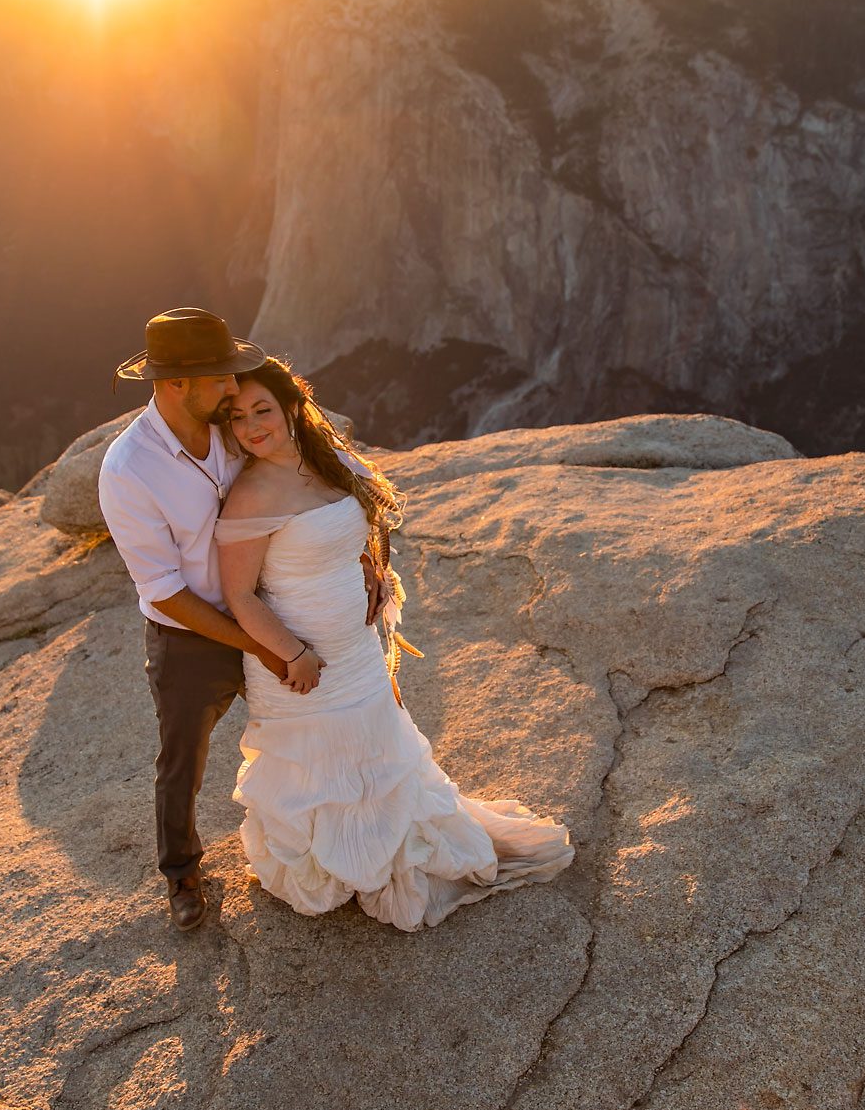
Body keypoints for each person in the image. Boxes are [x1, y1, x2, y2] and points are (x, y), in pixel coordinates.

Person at [215, 357, 574, 931]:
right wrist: (293, 653)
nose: (253, 426)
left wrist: (377, 573)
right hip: (297, 665)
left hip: (356, 649)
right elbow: (240, 596)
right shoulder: (252, 494)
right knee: (322, 764)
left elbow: (371, 520)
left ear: (291, 406)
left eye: (262, 409)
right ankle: (336, 864)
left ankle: (388, 847)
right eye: (237, 418)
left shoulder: (330, 461)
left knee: (377, 752)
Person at [99, 308, 376, 933]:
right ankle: (182, 874)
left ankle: (336, 831)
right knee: (183, 757)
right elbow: (165, 592)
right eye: (222, 377)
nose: (234, 389)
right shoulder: (129, 470)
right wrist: (269, 647)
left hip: (275, 608)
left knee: (313, 724)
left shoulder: (229, 426)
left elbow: (310, 486)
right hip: (193, 633)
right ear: (177, 384)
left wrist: (355, 559)